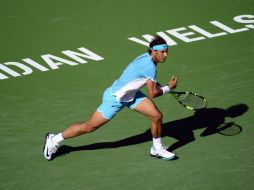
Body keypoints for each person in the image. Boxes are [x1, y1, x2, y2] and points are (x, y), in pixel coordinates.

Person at [43, 36, 178, 161]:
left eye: (166, 51)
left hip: (131, 95)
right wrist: (168, 88)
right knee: (89, 127)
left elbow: (145, 80)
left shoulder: (147, 58)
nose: (165, 55)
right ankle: (54, 140)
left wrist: (158, 85)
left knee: (156, 116)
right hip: (115, 98)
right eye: (163, 52)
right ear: (154, 51)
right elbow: (152, 94)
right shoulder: (149, 67)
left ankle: (157, 148)